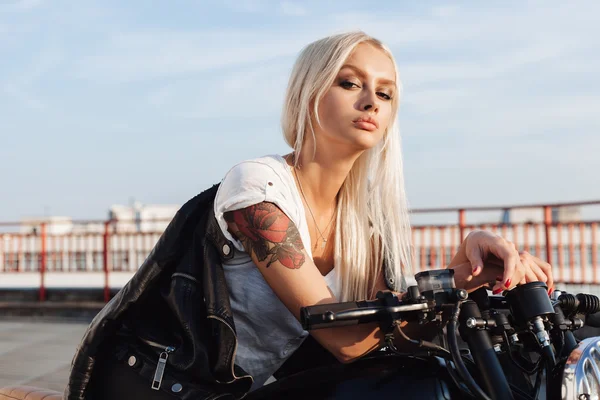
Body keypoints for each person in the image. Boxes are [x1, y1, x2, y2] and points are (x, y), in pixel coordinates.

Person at [212, 30, 555, 392]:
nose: (371, 102)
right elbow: (345, 341)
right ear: (307, 94)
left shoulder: (363, 217)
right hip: (200, 390)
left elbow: (391, 340)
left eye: (385, 93)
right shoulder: (257, 187)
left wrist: (472, 265)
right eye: (349, 83)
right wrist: (457, 279)